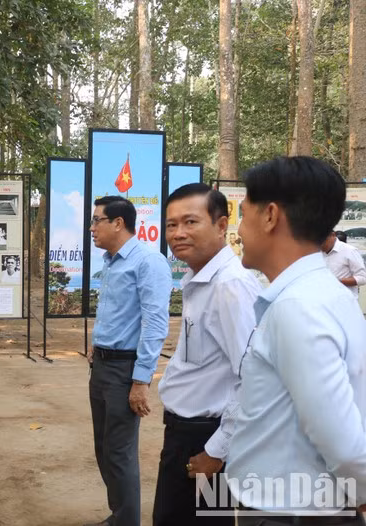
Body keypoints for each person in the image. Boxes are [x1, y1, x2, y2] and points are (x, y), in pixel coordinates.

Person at [227, 156, 366, 524]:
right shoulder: (323, 294)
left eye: (243, 214)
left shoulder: (298, 307)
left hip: (291, 511)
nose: (239, 229)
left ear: (270, 216)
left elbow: (342, 441)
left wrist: (362, 494)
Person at [155, 183, 261, 525]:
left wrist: (217, 450)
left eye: (190, 222)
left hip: (204, 438)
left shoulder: (229, 286)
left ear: (220, 226)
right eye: (172, 225)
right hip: (186, 434)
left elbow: (256, 376)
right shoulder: (199, 279)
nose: (178, 233)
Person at [85, 196, 171, 526]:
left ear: (118, 223)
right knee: (104, 448)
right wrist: (97, 343)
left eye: (97, 221)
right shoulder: (111, 260)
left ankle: (127, 521)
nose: (92, 228)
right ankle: (119, 514)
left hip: (125, 370)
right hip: (103, 366)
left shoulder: (148, 262)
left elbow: (155, 323)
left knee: (119, 453)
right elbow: (117, 313)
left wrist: (140, 381)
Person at [321, 230, 366, 299]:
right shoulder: (317, 252)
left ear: (332, 235)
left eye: (323, 242)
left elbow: (362, 278)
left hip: (345, 303)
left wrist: (337, 281)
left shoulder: (350, 251)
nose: (320, 246)